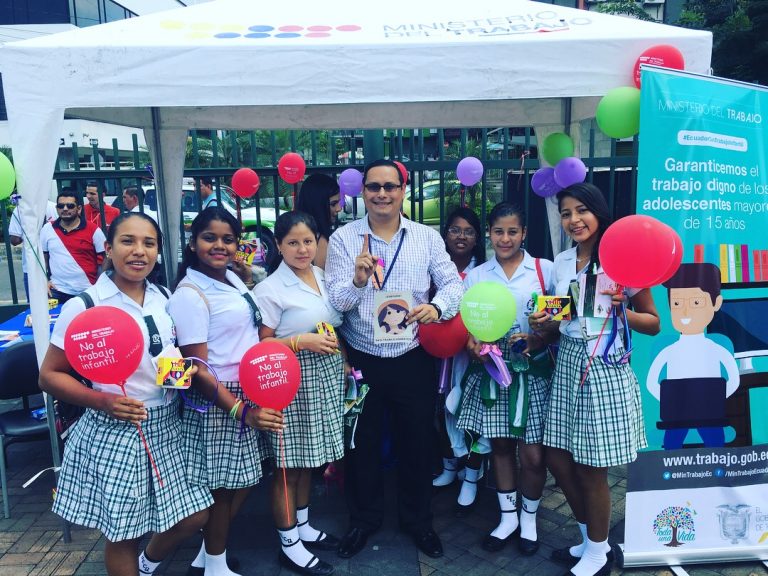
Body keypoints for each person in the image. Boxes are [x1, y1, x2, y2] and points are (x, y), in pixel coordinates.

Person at [38, 212, 213, 576]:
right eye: (128, 241)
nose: (139, 252)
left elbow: (164, 359)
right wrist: (103, 401)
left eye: (149, 244)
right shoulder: (84, 306)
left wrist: (183, 372)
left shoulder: (164, 297)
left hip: (166, 426)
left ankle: (147, 565)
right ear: (108, 247)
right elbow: (49, 376)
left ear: (158, 251)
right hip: (114, 430)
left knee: (195, 514)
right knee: (123, 534)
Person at [325, 159, 463, 560]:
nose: (381, 193)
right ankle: (363, 521)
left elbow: (453, 283)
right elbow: (335, 306)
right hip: (362, 357)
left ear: (404, 190)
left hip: (412, 355)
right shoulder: (344, 239)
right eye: (373, 186)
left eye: (390, 186)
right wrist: (357, 280)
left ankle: (418, 521)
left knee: (417, 442)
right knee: (361, 445)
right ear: (362, 191)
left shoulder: (426, 237)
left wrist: (437, 307)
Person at [529, 183, 660, 576]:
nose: (573, 220)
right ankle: (591, 539)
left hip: (604, 368)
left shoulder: (623, 260)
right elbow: (562, 316)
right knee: (557, 454)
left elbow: (653, 323)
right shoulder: (563, 261)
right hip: (568, 363)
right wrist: (541, 323)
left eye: (581, 210)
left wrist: (622, 310)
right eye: (566, 213)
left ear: (599, 213)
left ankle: (599, 549)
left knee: (591, 466)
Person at [169, 207, 283, 576]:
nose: (219, 245)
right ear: (193, 242)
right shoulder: (190, 293)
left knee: (244, 479)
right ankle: (215, 563)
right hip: (220, 396)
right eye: (210, 237)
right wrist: (239, 410)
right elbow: (197, 368)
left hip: (246, 389)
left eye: (228, 239)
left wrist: (246, 280)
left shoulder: (229, 278)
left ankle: (208, 551)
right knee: (222, 489)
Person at [456, 202, 554, 555]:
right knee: (499, 446)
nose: (506, 238)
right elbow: (469, 326)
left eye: (513, 231)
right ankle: (507, 516)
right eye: (499, 231)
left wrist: (540, 338)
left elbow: (559, 321)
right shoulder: (479, 276)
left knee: (533, 456)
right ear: (490, 234)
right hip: (495, 373)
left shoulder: (545, 271)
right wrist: (473, 345)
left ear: (524, 233)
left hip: (535, 375)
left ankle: (529, 519)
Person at [254, 211, 345, 576]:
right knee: (288, 466)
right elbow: (261, 345)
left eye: (308, 241)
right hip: (289, 377)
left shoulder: (322, 276)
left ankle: (303, 525)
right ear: (278, 245)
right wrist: (298, 341)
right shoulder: (270, 289)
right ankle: (288, 544)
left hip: (323, 374)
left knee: (311, 458)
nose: (302, 249)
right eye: (292, 242)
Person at [432, 207, 490, 510]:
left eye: (468, 231)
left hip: (471, 354)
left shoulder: (484, 271)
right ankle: (449, 466)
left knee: (472, 414)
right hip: (438, 353)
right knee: (441, 410)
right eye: (455, 229)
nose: (461, 236)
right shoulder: (434, 268)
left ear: (477, 237)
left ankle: (471, 474)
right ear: (446, 234)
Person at [646, 263, 739, 449]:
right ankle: (669, 470)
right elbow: (651, 382)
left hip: (710, 412)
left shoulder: (716, 350)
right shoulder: (669, 352)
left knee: (715, 443)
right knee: (671, 444)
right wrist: (668, 402)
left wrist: (717, 399)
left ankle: (717, 470)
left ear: (716, 303)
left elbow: (734, 379)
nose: (685, 312)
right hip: (676, 415)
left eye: (696, 302)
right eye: (677, 303)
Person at [40, 189, 106, 304]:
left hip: (87, 291)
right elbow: (42, 259)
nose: (65, 209)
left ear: (79, 209)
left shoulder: (94, 230)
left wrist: (101, 283)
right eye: (61, 206)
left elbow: (107, 258)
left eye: (70, 206)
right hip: (57, 290)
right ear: (57, 209)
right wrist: (44, 280)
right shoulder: (47, 229)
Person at [8, 195, 58, 301]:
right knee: (57, 307)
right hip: (55, 265)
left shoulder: (20, 209)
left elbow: (14, 240)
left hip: (33, 265)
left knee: (34, 306)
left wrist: (29, 229)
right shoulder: (57, 207)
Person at [295, 174, 342, 269]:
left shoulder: (295, 229)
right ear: (318, 205)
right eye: (333, 204)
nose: (339, 208)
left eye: (339, 202)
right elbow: (322, 280)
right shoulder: (321, 240)